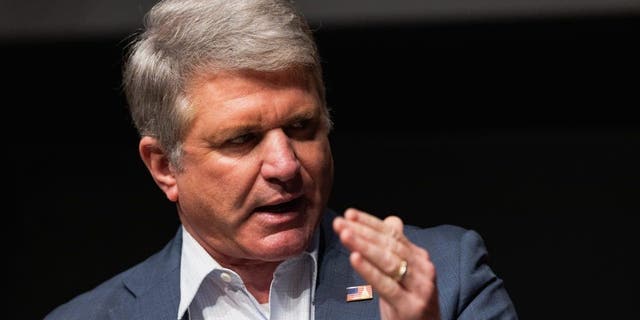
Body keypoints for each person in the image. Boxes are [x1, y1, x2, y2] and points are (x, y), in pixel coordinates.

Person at [45, 0, 518, 319]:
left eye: (301, 128)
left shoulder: (447, 275)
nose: (286, 165)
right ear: (164, 166)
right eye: (242, 139)